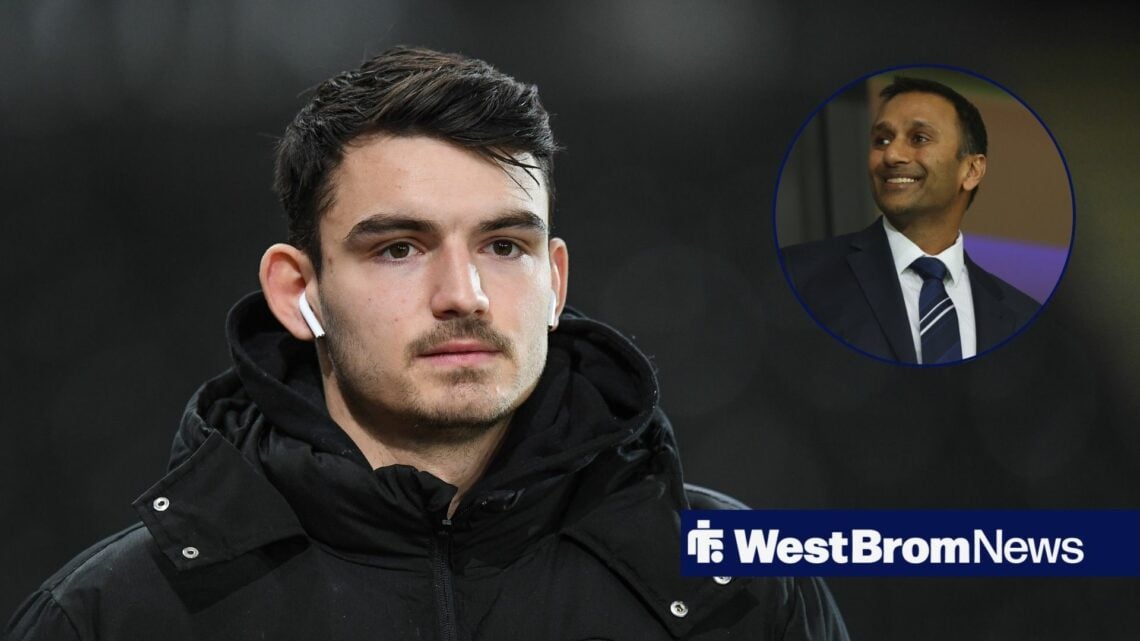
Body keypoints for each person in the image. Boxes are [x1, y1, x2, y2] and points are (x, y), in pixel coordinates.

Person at [6, 47, 848, 640]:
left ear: (555, 282)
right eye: (399, 248)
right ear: (299, 291)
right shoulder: (115, 615)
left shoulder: (741, 585)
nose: (464, 295)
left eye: (504, 245)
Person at [782, 76, 1039, 364]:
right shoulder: (796, 277)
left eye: (919, 138)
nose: (891, 154)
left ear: (971, 170)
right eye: (882, 140)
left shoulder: (1024, 315)